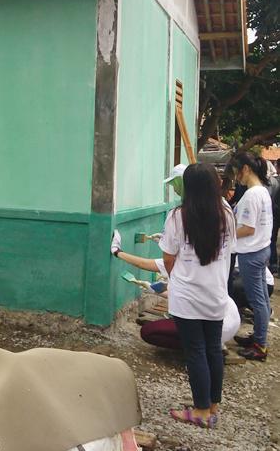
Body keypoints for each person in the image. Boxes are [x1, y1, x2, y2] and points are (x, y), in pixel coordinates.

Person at [158, 163, 236, 429]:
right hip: (216, 293)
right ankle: (213, 405)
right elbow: (229, 252)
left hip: (187, 296)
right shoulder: (226, 213)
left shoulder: (178, 216)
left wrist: (176, 278)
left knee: (195, 351)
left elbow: (168, 257)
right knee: (213, 348)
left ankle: (201, 411)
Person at [110, 231, 240, 351]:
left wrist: (117, 251)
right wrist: (153, 289)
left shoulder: (174, 261)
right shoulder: (204, 259)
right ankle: (212, 344)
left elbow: (142, 263)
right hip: (228, 321)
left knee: (148, 331)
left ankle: (198, 347)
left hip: (211, 323)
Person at [229, 151, 273, 361]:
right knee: (262, 297)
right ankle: (257, 336)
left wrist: (226, 234)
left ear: (245, 169)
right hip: (262, 249)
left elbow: (247, 228)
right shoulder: (262, 191)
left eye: (237, 172)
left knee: (257, 301)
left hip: (251, 253)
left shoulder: (252, 194)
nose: (237, 177)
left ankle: (260, 346)